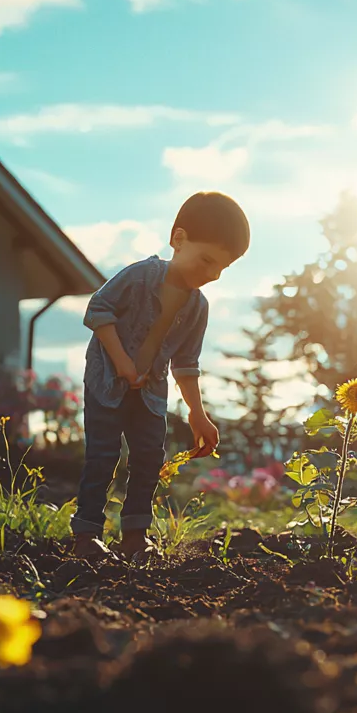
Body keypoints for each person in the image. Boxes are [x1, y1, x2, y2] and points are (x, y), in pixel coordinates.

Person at [71, 192, 249, 559]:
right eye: (207, 260)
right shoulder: (138, 277)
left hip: (151, 392)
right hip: (107, 384)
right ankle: (87, 535)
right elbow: (97, 309)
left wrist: (198, 414)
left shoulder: (197, 306)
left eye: (222, 269)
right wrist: (121, 361)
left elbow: (187, 363)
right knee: (102, 457)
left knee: (149, 458)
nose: (213, 274)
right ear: (178, 239)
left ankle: (135, 535)